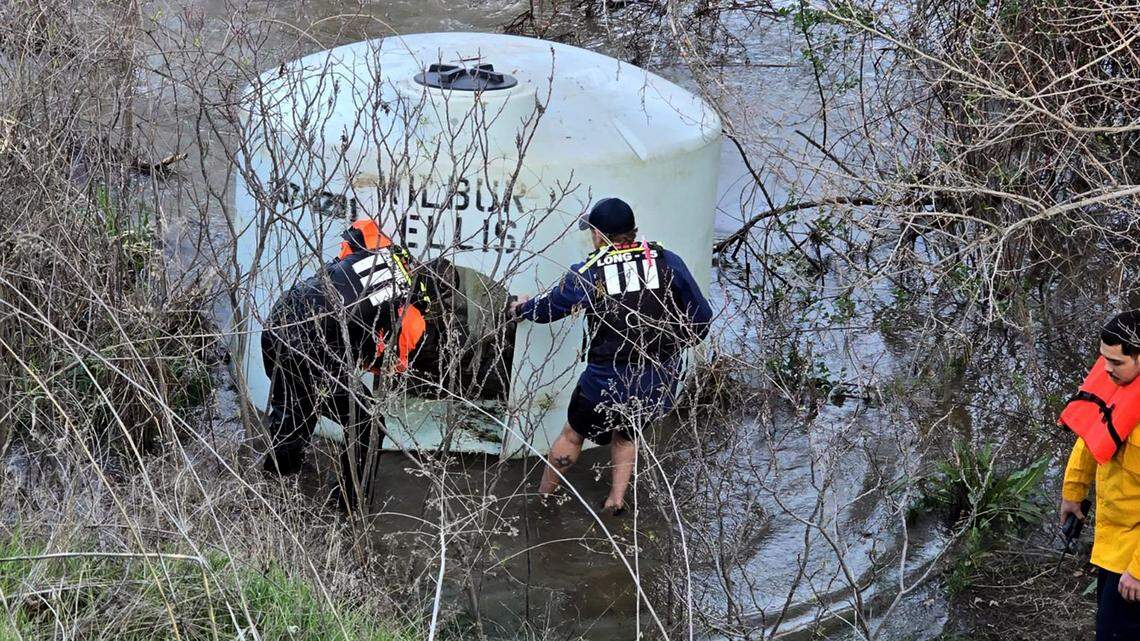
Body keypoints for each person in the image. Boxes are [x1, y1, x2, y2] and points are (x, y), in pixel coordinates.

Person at [510, 197, 712, 513]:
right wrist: (668, 350)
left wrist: (521, 308)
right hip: (655, 377)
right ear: (633, 230)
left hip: (606, 378)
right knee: (627, 435)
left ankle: (543, 498)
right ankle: (615, 501)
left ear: (598, 235)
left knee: (573, 434)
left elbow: (550, 307)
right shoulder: (666, 261)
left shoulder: (590, 272)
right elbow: (701, 318)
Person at [260, 217, 435, 510]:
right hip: (311, 347)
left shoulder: (378, 248)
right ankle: (351, 504)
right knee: (368, 423)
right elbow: (385, 364)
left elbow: (349, 241)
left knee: (297, 407)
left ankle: (275, 484)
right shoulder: (413, 318)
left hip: (278, 320)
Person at [1059, 310, 1140, 640]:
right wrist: (1073, 491)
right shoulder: (1119, 382)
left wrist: (1138, 570)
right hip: (1113, 543)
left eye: (1116, 362)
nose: (1106, 369)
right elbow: (1092, 436)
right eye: (1103, 359)